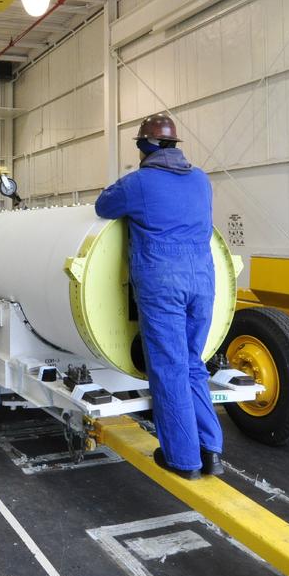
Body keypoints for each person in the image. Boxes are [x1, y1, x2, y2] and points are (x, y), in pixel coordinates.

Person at [95, 113, 223, 479]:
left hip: (163, 282)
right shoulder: (201, 180)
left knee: (169, 368)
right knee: (193, 362)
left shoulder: (139, 183)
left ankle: (183, 460)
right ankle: (211, 449)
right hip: (202, 281)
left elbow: (103, 206)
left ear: (145, 147)